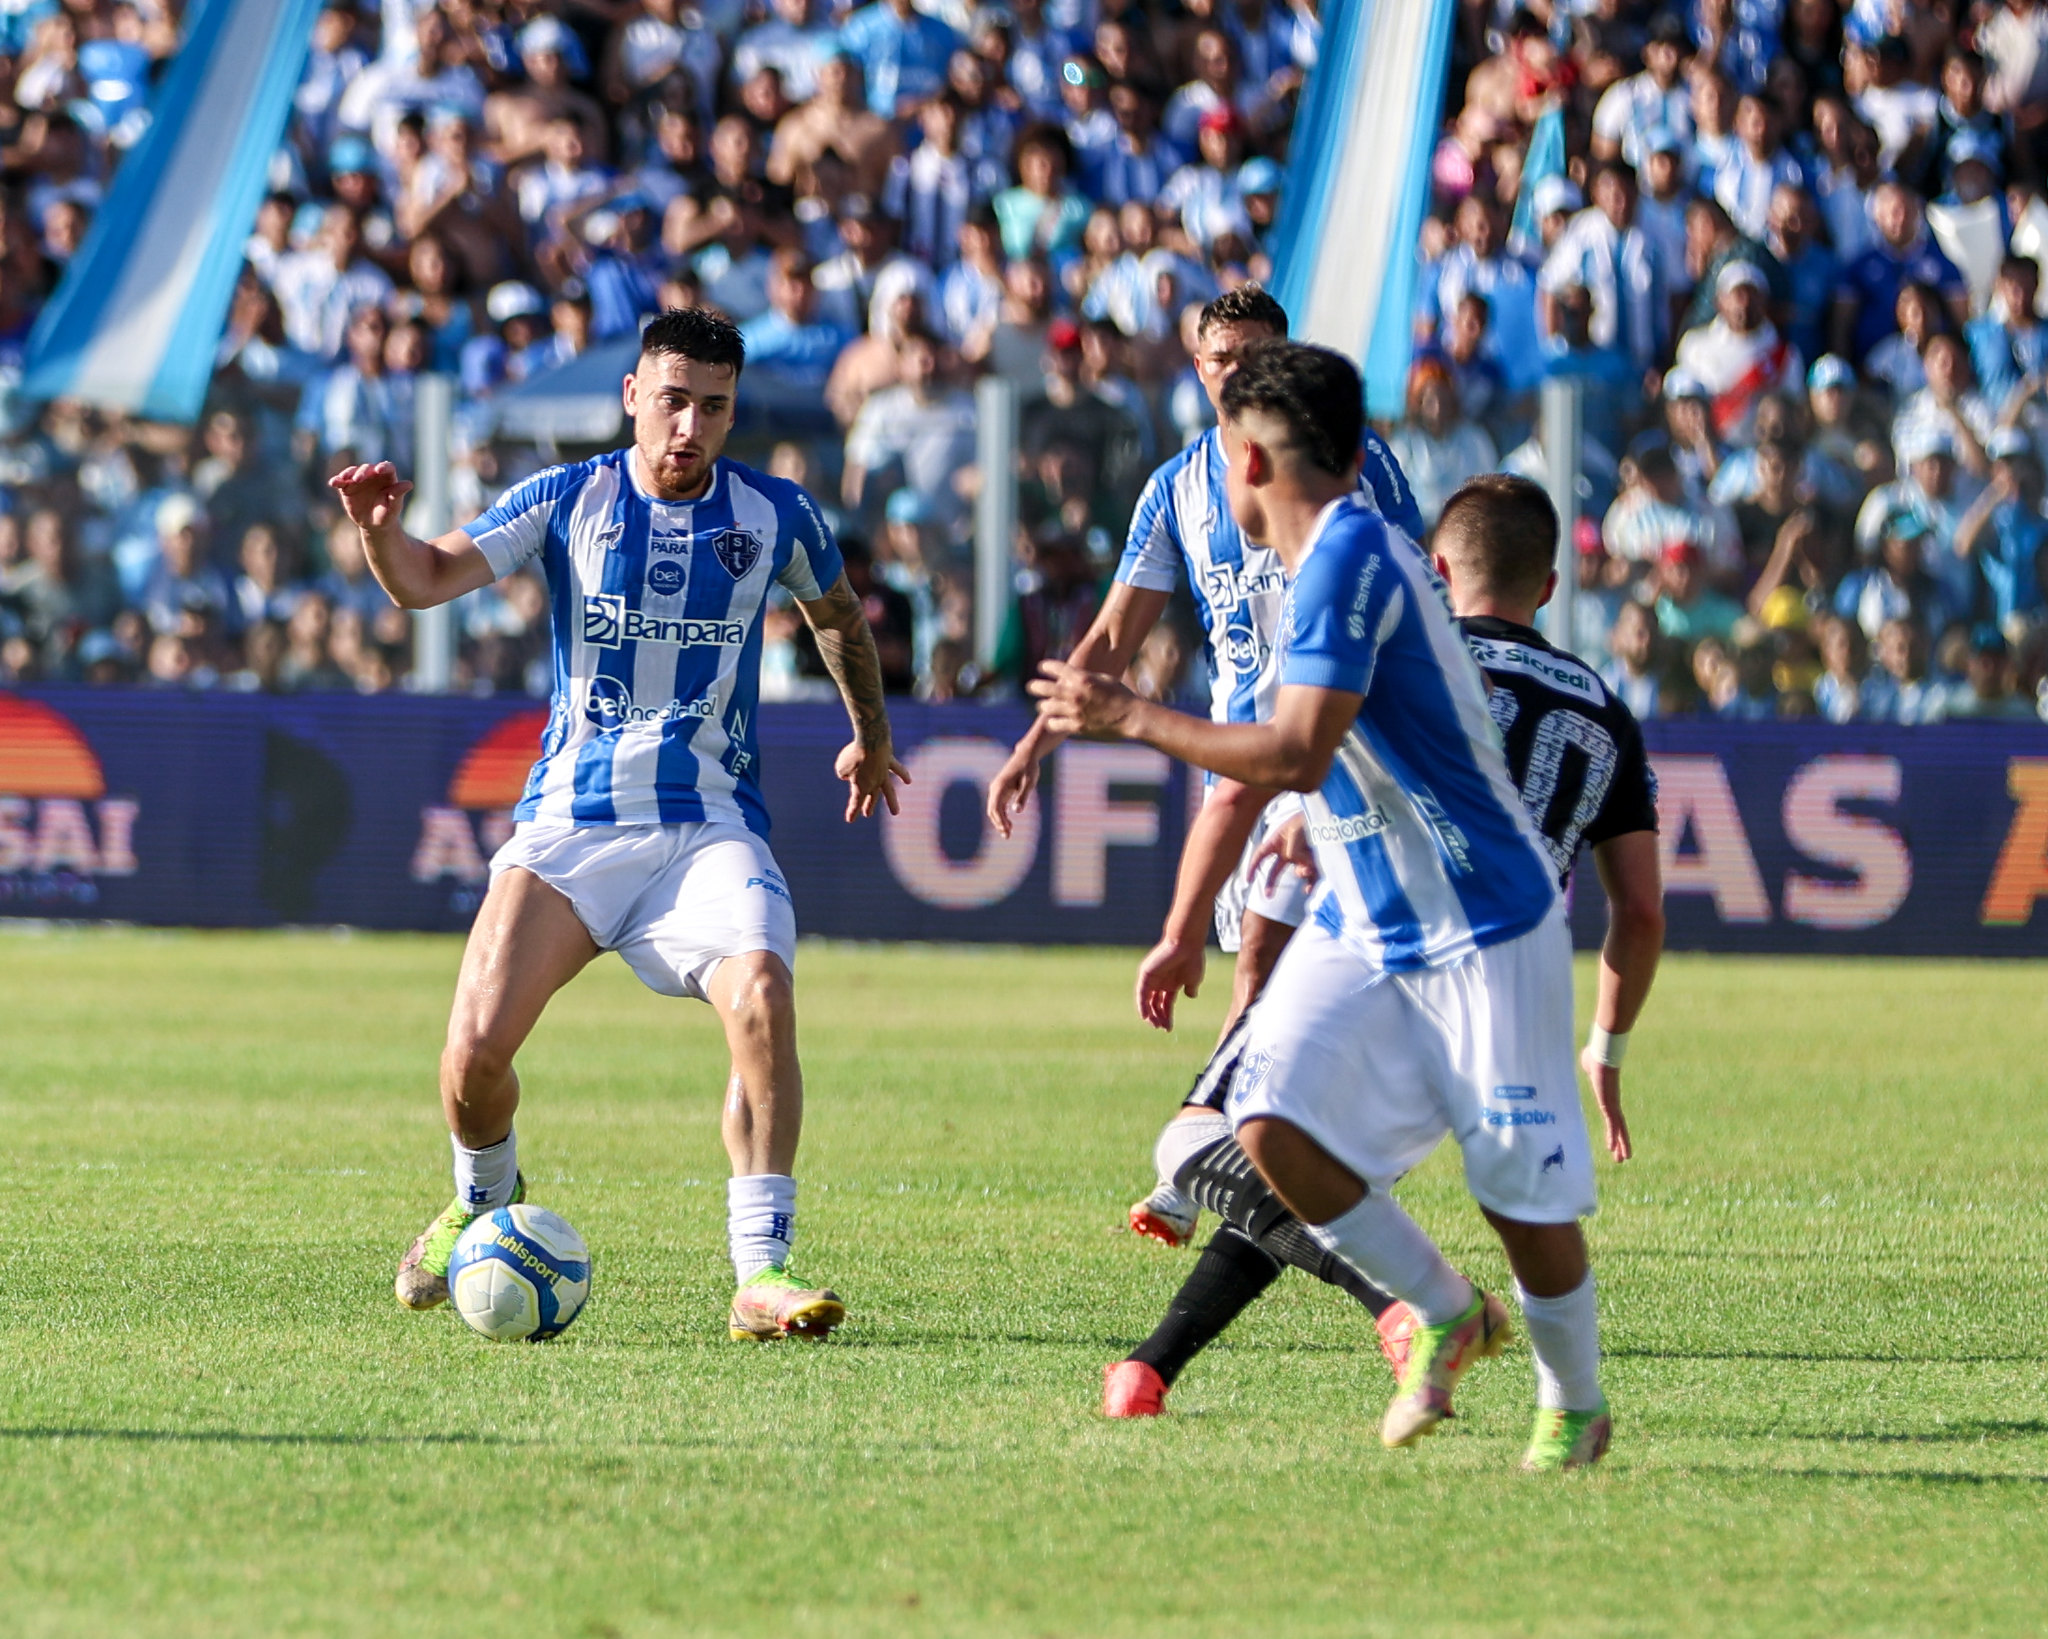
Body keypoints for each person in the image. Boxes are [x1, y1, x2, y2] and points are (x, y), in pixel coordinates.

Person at [1034, 342, 1623, 1472]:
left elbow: (1293, 749)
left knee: (1520, 1197)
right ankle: (1442, 1310)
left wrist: (1130, 717)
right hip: (1362, 912)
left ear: (1247, 456)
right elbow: (1298, 756)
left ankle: (1574, 1399)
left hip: (1480, 918)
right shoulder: (1326, 560)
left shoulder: (1350, 558)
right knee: (1260, 1123)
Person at [328, 308, 907, 1344]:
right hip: (570, 831)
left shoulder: (775, 514)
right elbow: (422, 581)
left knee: (762, 995)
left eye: (714, 406)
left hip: (707, 828)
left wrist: (869, 732)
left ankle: (760, 1271)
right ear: (634, 395)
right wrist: (377, 531)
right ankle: (479, 1197)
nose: (690, 424)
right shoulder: (567, 497)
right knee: (470, 1064)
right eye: (673, 399)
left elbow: (839, 616)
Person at [987, 283, 1422, 1249]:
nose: (1237, 376)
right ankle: (1246, 1160)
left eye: (1256, 358)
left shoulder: (1357, 463)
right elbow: (1111, 636)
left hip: (1349, 753)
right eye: (1220, 360)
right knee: (1265, 974)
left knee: (1272, 968)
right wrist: (1034, 744)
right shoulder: (1180, 486)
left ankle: (1203, 1158)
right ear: (1197, 369)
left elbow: (1416, 595)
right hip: (1242, 761)